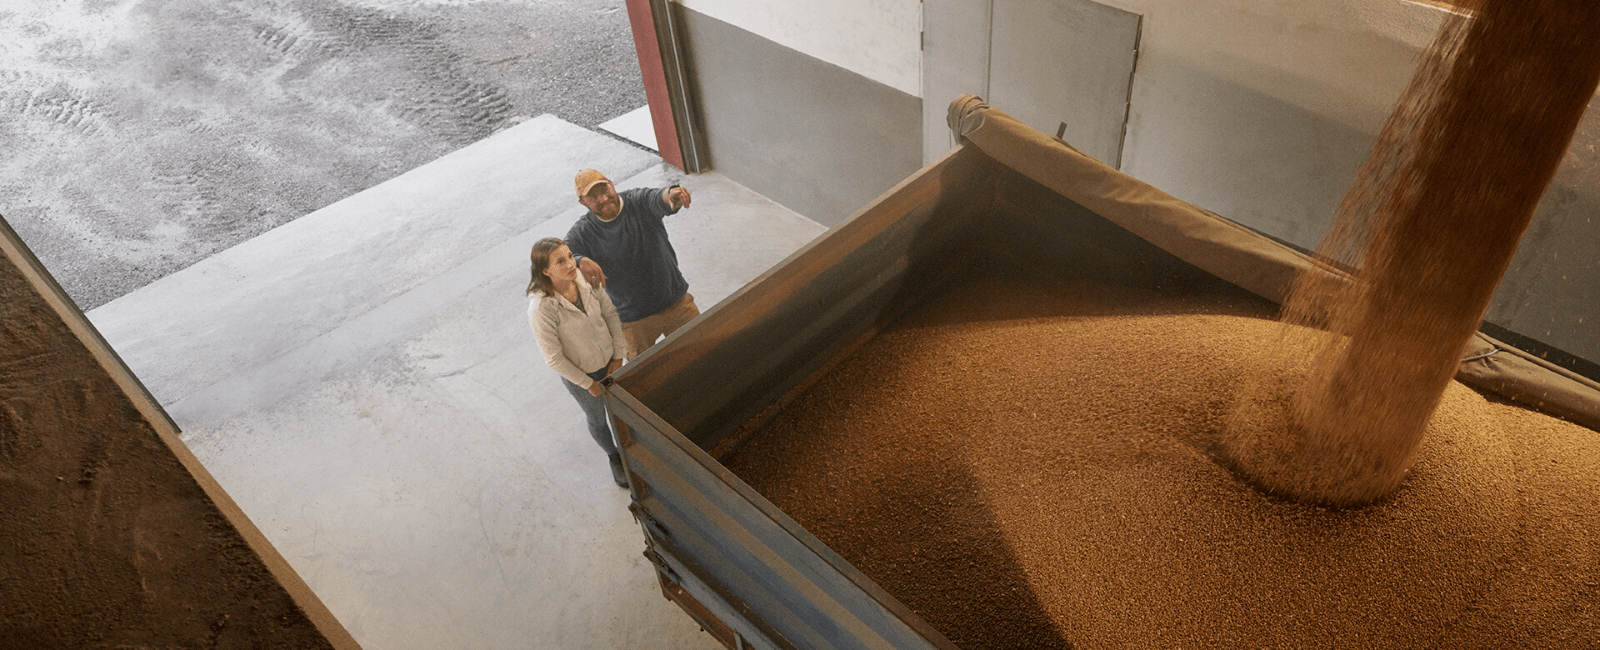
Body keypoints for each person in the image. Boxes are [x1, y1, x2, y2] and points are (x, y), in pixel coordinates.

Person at [526, 236, 629, 488]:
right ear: (545, 271)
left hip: (611, 362)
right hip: (583, 376)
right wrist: (587, 383)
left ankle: (630, 449)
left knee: (624, 409)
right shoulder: (541, 309)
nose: (571, 264)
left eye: (570, 256)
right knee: (597, 419)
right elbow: (554, 358)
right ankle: (614, 456)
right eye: (561, 261)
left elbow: (611, 314)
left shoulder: (583, 280)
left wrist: (618, 354)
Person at [566, 168, 699, 360]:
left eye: (604, 190)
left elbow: (657, 197)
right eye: (593, 197)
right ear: (582, 202)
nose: (603, 199)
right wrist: (579, 260)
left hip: (675, 302)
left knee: (705, 348)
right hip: (633, 320)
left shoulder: (637, 201)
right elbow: (561, 255)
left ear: (611, 184)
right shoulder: (583, 232)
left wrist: (672, 194)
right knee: (645, 377)